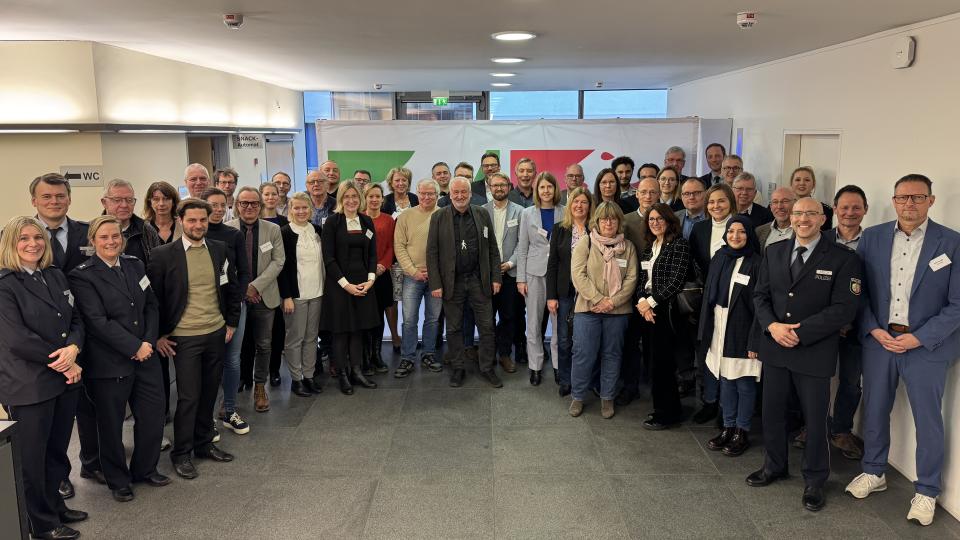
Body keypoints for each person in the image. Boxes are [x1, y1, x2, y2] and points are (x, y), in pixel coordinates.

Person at [844, 174, 960, 526]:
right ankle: (874, 471)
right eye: (902, 197)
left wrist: (919, 337)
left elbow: (957, 304)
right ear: (894, 201)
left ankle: (927, 490)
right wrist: (873, 329)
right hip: (880, 341)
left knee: (928, 419)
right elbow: (858, 291)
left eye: (917, 197)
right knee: (875, 409)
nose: (909, 203)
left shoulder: (951, 242)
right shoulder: (873, 237)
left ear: (931, 200)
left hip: (925, 346)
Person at [746, 197, 861, 513]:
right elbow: (760, 296)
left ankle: (815, 479)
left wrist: (800, 332)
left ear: (823, 219)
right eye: (798, 213)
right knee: (772, 413)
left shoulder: (843, 258)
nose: (803, 219)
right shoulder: (774, 251)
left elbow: (844, 308)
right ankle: (774, 466)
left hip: (814, 351)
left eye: (811, 213)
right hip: (775, 347)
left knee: (814, 419)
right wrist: (772, 326)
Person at [69, 216, 168, 503]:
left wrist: (147, 342)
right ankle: (118, 479)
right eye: (104, 237)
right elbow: (97, 321)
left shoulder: (135, 265)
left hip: (146, 357)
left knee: (152, 416)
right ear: (92, 241)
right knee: (110, 425)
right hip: (109, 363)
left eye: (116, 236)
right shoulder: (82, 276)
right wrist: (134, 346)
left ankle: (145, 469)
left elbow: (151, 306)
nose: (111, 241)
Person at [0, 216, 86, 540]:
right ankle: (41, 523)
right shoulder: (5, 285)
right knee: (31, 459)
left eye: (38, 237)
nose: (33, 244)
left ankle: (55, 507)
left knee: (56, 451)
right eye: (23, 238)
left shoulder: (54, 274)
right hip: (29, 384)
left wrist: (74, 347)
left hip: (62, 379)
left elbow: (76, 318)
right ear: (11, 243)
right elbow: (18, 340)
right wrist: (66, 363)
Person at [148, 198, 241, 480]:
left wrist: (231, 322)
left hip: (215, 332)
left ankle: (203, 444)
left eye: (203, 220)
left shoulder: (219, 249)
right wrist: (158, 335)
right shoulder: (163, 255)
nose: (198, 225)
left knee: (210, 392)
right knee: (189, 397)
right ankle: (181, 453)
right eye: (192, 220)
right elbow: (153, 300)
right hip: (184, 337)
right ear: (180, 221)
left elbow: (231, 286)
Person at [30, 173, 91, 501]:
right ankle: (57, 478)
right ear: (34, 201)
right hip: (40, 346)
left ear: (69, 199)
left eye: (60, 196)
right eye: (47, 196)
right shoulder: (20, 237)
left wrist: (76, 344)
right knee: (46, 422)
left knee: (83, 408)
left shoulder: (87, 232)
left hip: (83, 333)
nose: (54, 202)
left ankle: (91, 462)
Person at [426, 177, 503, 388]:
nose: (460, 196)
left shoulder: (482, 213)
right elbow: (432, 252)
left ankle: (487, 367)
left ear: (470, 194)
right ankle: (458, 367)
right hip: (452, 281)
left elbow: (492, 248)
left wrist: (496, 277)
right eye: (456, 192)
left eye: (464, 192)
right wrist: (435, 283)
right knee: (453, 328)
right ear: (450, 194)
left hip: (479, 280)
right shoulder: (439, 217)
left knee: (487, 327)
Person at [697, 216, 762, 456]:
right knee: (725, 379)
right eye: (731, 231)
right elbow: (708, 296)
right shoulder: (720, 257)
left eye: (741, 232)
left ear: (749, 235)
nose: (735, 236)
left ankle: (741, 431)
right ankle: (728, 426)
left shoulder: (757, 263)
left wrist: (755, 340)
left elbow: (762, 305)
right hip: (719, 325)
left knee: (743, 382)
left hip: (742, 329)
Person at [567, 201, 638, 419]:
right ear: (596, 222)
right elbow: (578, 275)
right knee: (583, 354)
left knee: (612, 355)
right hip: (588, 309)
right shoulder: (586, 243)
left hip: (617, 312)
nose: (608, 223)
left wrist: (612, 302)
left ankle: (607, 397)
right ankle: (578, 396)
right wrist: (599, 299)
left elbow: (632, 279)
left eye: (613, 219)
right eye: (604, 219)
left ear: (619, 222)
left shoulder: (628, 247)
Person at [227, 187, 285, 412]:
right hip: (236, 297)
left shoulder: (273, 229)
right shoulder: (228, 228)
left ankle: (260, 386)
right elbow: (224, 264)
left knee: (264, 344)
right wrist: (244, 289)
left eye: (254, 203)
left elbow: (278, 261)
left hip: (264, 296)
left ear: (260, 206)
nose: (249, 207)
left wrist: (255, 286)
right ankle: (234, 388)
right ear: (237, 205)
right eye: (244, 203)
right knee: (235, 346)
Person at [320, 181, 379, 394]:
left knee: (358, 330)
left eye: (355, 196)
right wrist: (346, 285)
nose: (351, 200)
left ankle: (357, 371)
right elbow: (328, 258)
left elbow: (372, 254)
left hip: (363, 283)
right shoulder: (332, 222)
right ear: (341, 199)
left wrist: (370, 280)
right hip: (339, 285)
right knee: (341, 332)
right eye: (347, 196)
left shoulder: (366, 221)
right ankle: (343, 375)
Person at [200, 188, 251, 436]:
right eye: (213, 205)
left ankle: (229, 410)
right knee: (208, 364)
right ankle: (206, 418)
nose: (219, 210)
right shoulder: (195, 233)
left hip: (233, 306)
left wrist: (236, 303)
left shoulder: (234, 234)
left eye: (223, 205)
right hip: (205, 309)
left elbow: (244, 272)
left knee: (232, 360)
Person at [635, 203, 691, 429]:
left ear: (669, 221)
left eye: (660, 218)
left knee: (664, 364)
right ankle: (662, 408)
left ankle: (667, 414)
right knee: (652, 362)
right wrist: (642, 302)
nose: (655, 223)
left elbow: (676, 281)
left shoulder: (679, 245)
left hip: (666, 311)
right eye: (651, 219)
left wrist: (649, 303)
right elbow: (642, 280)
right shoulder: (650, 246)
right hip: (647, 311)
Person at [689, 182, 737, 424]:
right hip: (706, 301)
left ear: (731, 203)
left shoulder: (740, 227)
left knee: (727, 353)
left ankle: (725, 406)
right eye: (711, 202)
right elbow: (694, 264)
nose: (716, 206)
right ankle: (709, 401)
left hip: (733, 301)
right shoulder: (700, 229)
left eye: (721, 201)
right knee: (706, 350)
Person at [516, 172, 565, 386]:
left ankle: (558, 366)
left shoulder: (565, 211)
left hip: (559, 274)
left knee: (559, 324)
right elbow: (522, 248)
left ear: (555, 189)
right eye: (542, 187)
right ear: (537, 190)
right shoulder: (527, 213)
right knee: (534, 323)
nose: (546, 191)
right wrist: (520, 279)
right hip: (534, 274)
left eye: (549, 187)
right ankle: (535, 367)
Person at [393, 178, 442, 377]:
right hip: (412, 276)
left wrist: (436, 271)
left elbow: (448, 247)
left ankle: (428, 353)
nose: (426, 197)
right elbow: (399, 246)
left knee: (433, 319)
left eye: (430, 193)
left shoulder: (444, 215)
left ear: (437, 195)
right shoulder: (405, 216)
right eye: (422, 193)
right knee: (409, 320)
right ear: (417, 193)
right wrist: (413, 271)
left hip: (436, 278)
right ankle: (408, 357)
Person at [547, 187, 593, 397]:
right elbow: (552, 264)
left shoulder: (595, 229)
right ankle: (566, 380)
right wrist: (551, 296)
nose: (579, 206)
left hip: (589, 293)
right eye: (575, 201)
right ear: (569, 205)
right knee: (564, 339)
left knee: (586, 339)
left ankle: (586, 380)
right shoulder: (560, 229)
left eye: (584, 202)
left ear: (589, 206)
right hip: (565, 292)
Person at [278, 192, 325, 397]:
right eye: (296, 208)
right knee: (294, 339)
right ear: (290, 210)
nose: (301, 211)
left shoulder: (317, 230)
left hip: (317, 291)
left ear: (311, 209)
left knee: (311, 337)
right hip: (296, 295)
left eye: (305, 207)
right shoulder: (284, 232)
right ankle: (296, 379)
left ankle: (309, 375)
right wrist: (286, 296)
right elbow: (281, 267)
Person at [483, 172, 524, 373]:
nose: (499, 188)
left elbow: (522, 243)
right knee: (487, 317)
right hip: (487, 274)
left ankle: (505, 354)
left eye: (503, 185)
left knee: (508, 316)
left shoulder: (520, 212)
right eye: (495, 185)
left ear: (509, 187)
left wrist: (510, 263)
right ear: (489, 188)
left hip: (510, 273)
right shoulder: (481, 211)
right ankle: (489, 354)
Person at [259, 181, 290, 385]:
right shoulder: (253, 221)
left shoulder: (285, 222)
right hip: (255, 283)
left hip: (278, 282)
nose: (271, 197)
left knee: (277, 330)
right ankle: (250, 374)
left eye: (274, 194)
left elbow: (285, 259)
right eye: (267, 194)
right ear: (261, 196)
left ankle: (274, 370)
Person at [362, 183, 393, 374]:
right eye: (370, 196)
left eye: (377, 196)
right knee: (366, 316)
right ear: (365, 198)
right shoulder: (358, 218)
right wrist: (369, 268)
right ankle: (365, 358)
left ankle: (376, 354)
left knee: (379, 316)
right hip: (362, 275)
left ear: (383, 199)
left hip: (382, 274)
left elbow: (391, 246)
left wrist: (383, 265)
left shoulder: (388, 220)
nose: (374, 200)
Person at [100, 178, 162, 264]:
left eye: (129, 200)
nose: (124, 205)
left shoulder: (147, 230)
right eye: (117, 200)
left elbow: (158, 265)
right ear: (104, 202)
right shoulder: (92, 231)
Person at [789, 166, 833, 230]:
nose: (802, 183)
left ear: (813, 184)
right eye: (797, 180)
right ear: (791, 184)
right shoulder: (782, 208)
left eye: (807, 180)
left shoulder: (825, 210)